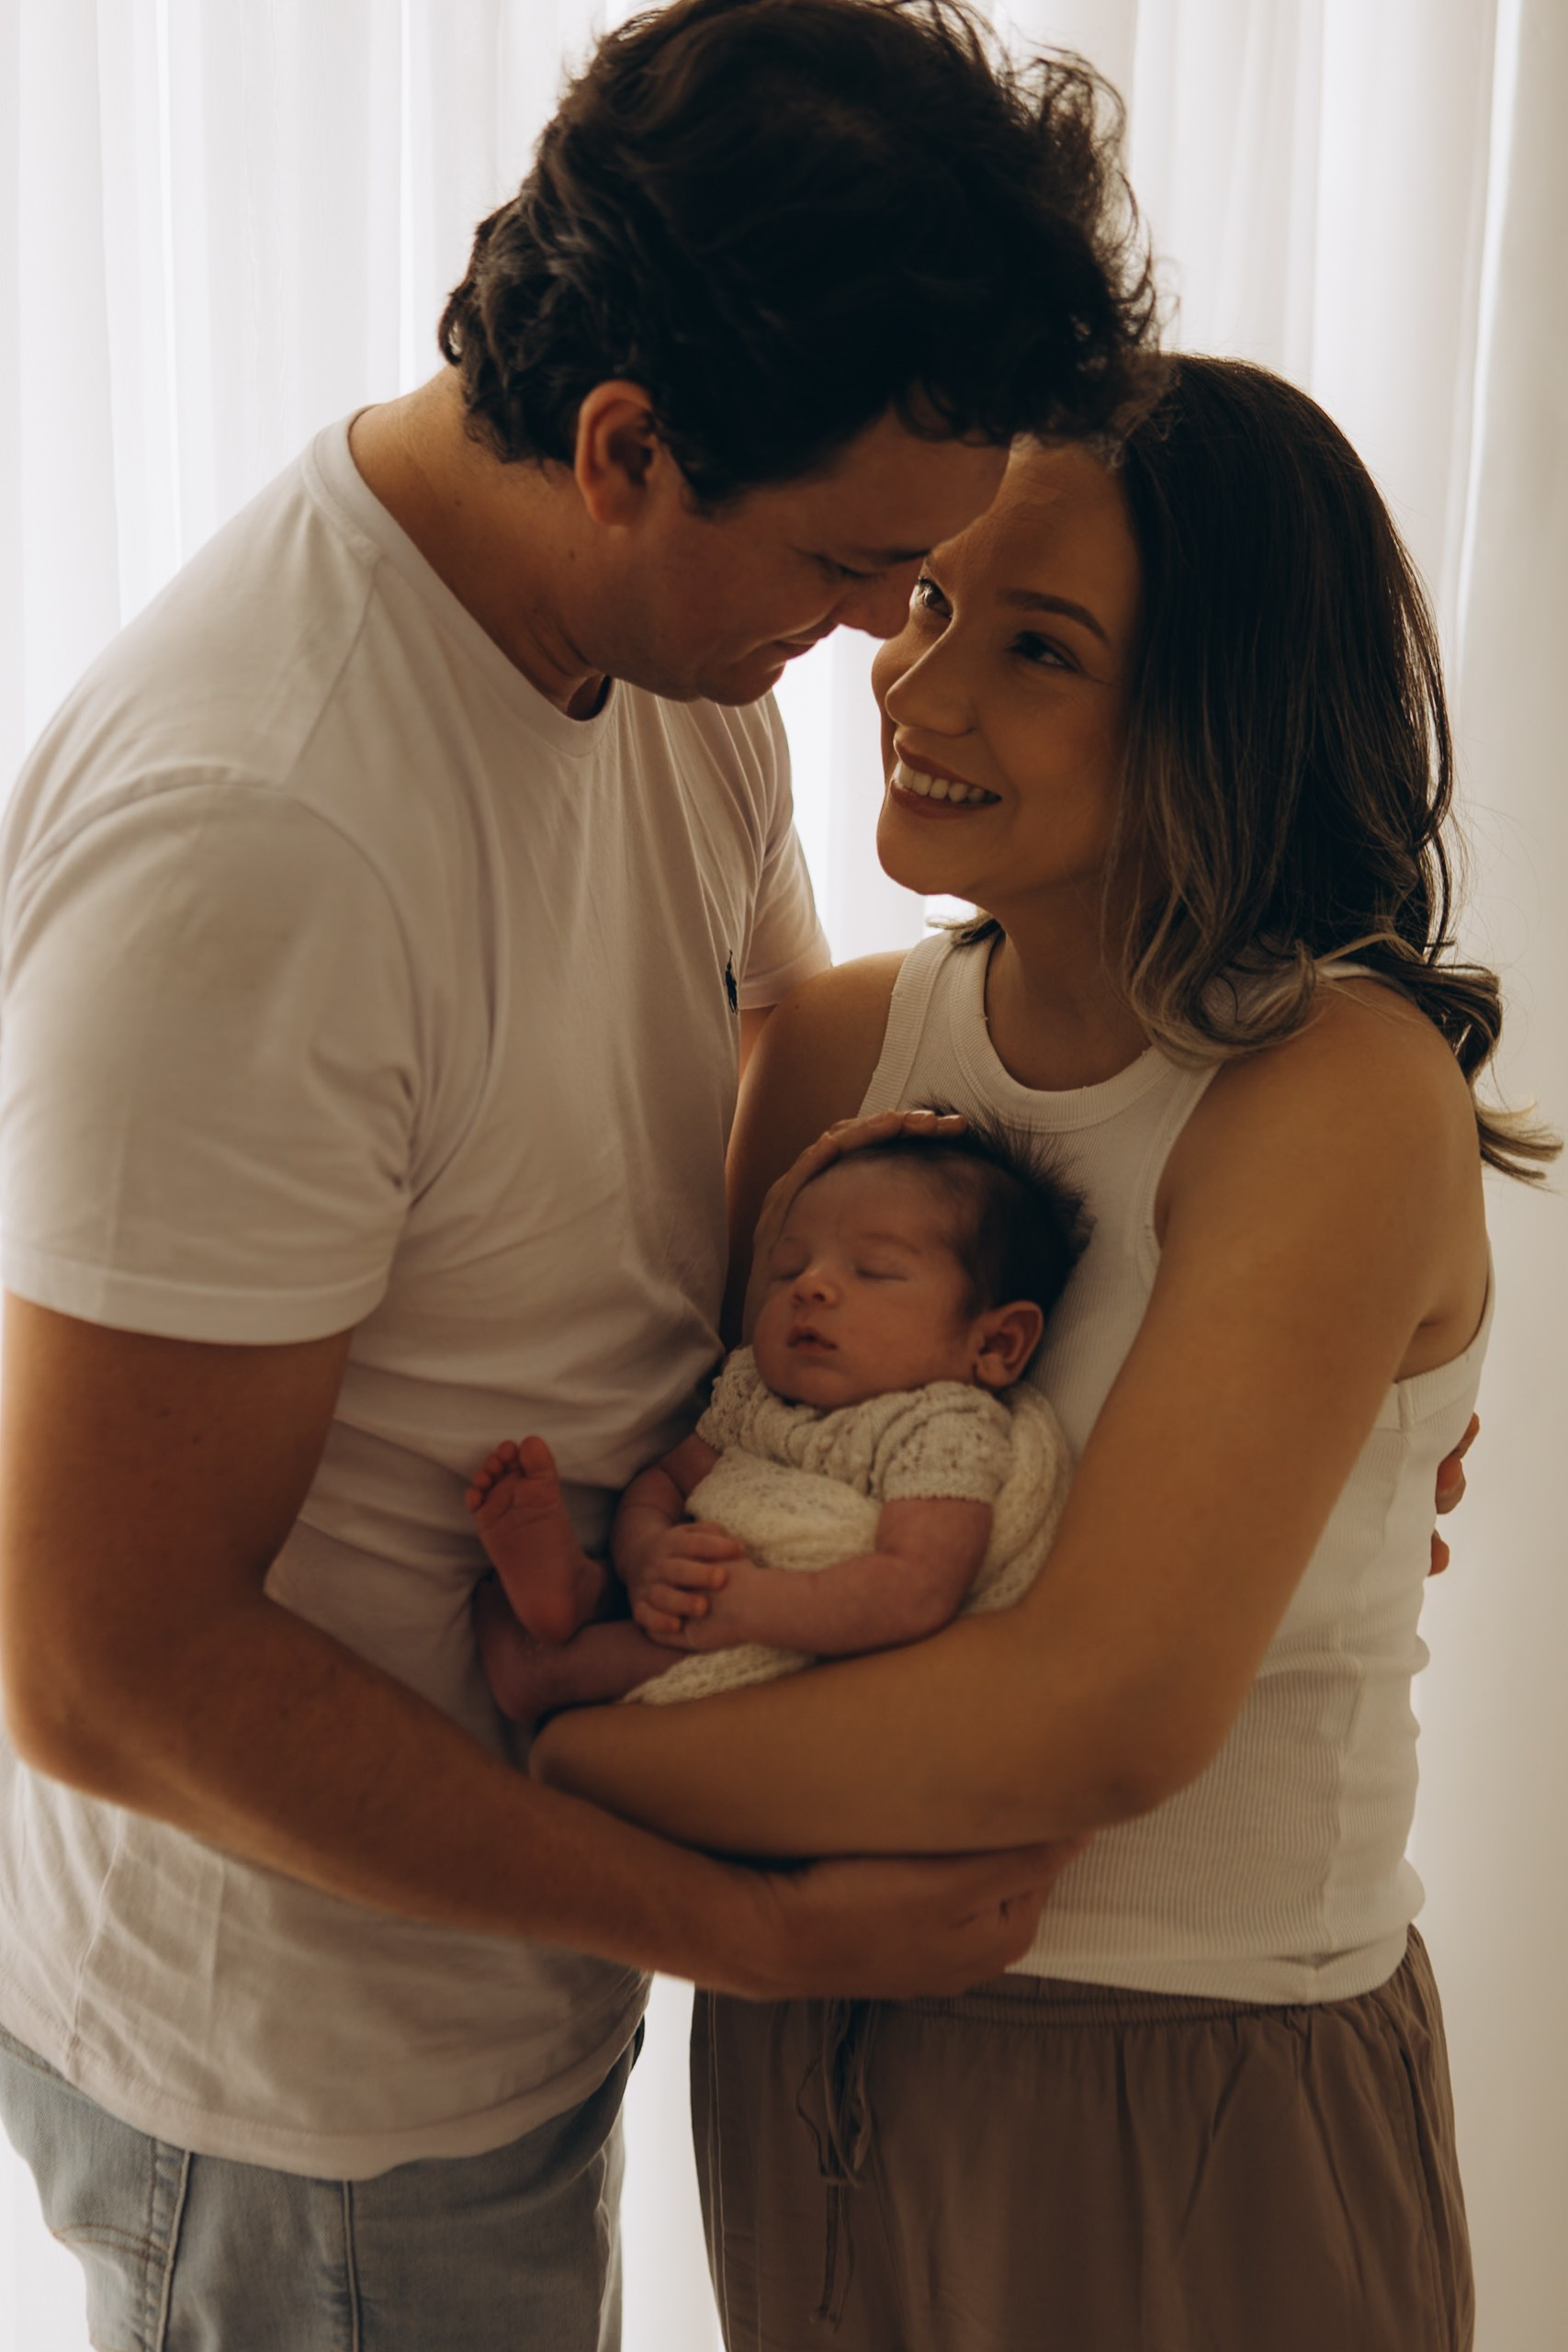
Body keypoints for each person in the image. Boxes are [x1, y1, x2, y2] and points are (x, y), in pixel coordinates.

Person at [0, 4, 1159, 2345]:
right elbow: (100, 1662)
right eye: (852, 562)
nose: (879, 638)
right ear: (624, 446)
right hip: (311, 2088)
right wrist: (742, 1925)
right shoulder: (262, 838)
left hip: (508, 1967)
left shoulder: (655, 665)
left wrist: (1207, 1389)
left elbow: (802, 1114)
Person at [532, 356, 1549, 2351]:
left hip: (1191, 2069)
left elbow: (1101, 1714)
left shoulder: (1334, 1085)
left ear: (1217, 713)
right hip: (809, 2056)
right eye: (927, 598)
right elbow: (716, 1504)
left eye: (1037, 647)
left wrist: (570, 1763)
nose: (914, 683)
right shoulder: (836, 1052)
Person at [467, 1121, 1084, 1723]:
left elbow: (916, 1588)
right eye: (789, 1267)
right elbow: (667, 1481)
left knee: (696, 1642)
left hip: (798, 1634)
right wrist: (645, 1552)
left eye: (872, 1270)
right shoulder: (755, 1390)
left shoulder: (943, 1427)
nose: (809, 1285)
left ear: (995, 1344)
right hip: (712, 1581)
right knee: (679, 1575)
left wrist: (750, 1604)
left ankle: (544, 1670)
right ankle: (589, 1587)